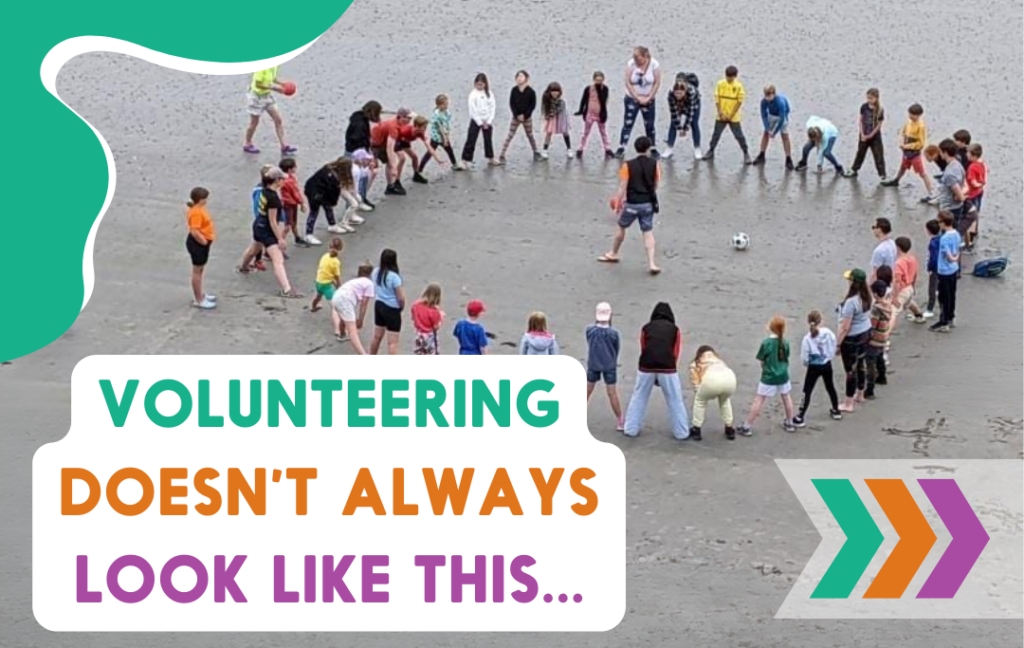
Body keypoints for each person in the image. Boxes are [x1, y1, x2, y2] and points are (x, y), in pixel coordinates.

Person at [623, 302, 690, 439]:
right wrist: (670, 367)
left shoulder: (646, 328)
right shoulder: (675, 329)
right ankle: (681, 433)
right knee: (675, 399)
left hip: (646, 365)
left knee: (639, 396)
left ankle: (630, 429)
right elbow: (675, 351)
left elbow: (643, 347)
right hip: (668, 367)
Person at [598, 137, 662, 275]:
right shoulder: (654, 164)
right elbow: (656, 184)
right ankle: (651, 262)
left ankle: (613, 253)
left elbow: (623, 186)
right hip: (648, 204)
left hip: (632, 203)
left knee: (621, 227)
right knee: (648, 232)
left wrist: (617, 203)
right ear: (648, 149)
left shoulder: (628, 165)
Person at [238, 167, 301, 297]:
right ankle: (287, 289)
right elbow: (273, 221)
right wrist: (280, 239)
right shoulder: (273, 198)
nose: (284, 181)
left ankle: (243, 267)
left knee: (253, 249)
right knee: (278, 260)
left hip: (258, 224)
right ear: (277, 180)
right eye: (282, 179)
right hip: (267, 229)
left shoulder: (263, 190)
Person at [737, 316, 796, 435]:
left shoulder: (766, 343)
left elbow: (762, 360)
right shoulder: (785, 342)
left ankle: (747, 426)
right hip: (783, 375)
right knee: (786, 397)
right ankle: (790, 422)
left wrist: (765, 368)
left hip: (769, 377)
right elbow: (786, 357)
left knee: (759, 399)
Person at [793, 310, 841, 427]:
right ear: (821, 320)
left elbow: (804, 356)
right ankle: (836, 409)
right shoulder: (828, 333)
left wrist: (807, 363)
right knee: (830, 387)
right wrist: (829, 356)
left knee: (807, 391)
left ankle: (800, 415)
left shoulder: (807, 339)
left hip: (813, 366)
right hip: (826, 364)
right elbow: (833, 344)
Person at [615, 47, 662, 159]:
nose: (636, 60)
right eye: (635, 58)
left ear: (645, 56)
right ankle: (622, 146)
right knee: (628, 123)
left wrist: (649, 97)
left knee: (649, 125)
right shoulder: (631, 64)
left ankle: (652, 147)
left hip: (648, 98)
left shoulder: (654, 64)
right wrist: (637, 97)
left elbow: (657, 82)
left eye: (639, 58)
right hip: (632, 98)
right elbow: (627, 82)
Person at [835, 269, 872, 411]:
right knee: (861, 364)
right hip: (866, 332)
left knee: (850, 370)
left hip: (853, 338)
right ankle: (860, 394)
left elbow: (845, 327)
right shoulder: (867, 296)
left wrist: (838, 344)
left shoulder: (851, 302)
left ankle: (848, 403)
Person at [880, 104, 933, 201]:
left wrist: (907, 146)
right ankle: (896, 180)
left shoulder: (921, 126)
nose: (910, 116)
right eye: (910, 114)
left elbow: (921, 143)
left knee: (922, 172)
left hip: (914, 153)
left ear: (918, 115)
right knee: (903, 166)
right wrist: (902, 141)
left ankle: (931, 192)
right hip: (906, 151)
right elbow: (903, 132)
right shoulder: (908, 122)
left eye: (912, 115)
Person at [585, 302, 623, 431]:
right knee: (612, 393)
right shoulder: (614, 333)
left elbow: (588, 341)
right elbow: (616, 348)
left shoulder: (590, 330)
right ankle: (620, 420)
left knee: (587, 392)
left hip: (593, 363)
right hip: (609, 365)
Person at [242, 66, 297, 155]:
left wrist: (282, 84)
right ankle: (247, 143)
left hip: (267, 96)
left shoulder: (273, 66)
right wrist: (275, 88)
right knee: (254, 123)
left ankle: (283, 146)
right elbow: (258, 84)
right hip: (256, 98)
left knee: (278, 120)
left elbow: (272, 78)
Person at [688, 345, 737, 441]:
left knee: (700, 401)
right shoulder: (719, 360)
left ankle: (696, 429)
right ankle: (729, 428)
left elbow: (695, 383)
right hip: (730, 378)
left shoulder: (695, 363)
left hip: (711, 379)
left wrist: (701, 393)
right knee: (725, 401)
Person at [703, 65, 750, 164]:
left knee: (739, 135)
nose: (729, 79)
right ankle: (711, 150)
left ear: (735, 76)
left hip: (733, 116)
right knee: (716, 134)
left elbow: (739, 101)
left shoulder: (738, 86)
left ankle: (746, 152)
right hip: (721, 115)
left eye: (731, 77)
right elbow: (717, 98)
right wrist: (720, 112)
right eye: (728, 76)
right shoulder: (720, 84)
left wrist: (732, 114)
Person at [331, 262, 375, 353]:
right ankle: (363, 354)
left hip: (336, 296)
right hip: (345, 300)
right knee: (352, 331)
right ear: (370, 273)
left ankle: (342, 334)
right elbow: (364, 303)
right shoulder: (369, 284)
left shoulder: (354, 281)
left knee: (344, 316)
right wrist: (361, 319)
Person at [303, 159, 348, 245]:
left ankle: (332, 225)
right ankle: (308, 234)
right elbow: (333, 192)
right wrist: (333, 202)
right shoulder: (333, 178)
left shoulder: (329, 168)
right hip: (314, 192)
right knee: (314, 212)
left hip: (318, 190)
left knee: (328, 207)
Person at [498, 71, 540, 163]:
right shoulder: (514, 90)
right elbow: (511, 103)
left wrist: (525, 115)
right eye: (517, 76)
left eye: (521, 76)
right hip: (516, 117)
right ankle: (502, 154)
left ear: (526, 78)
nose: (519, 78)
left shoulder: (531, 92)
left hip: (527, 118)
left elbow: (532, 105)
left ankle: (536, 152)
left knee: (530, 135)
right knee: (510, 135)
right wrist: (516, 115)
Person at [369, 248, 406, 355]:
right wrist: (401, 306)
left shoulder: (376, 272)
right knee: (392, 342)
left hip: (379, 304)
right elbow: (400, 297)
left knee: (377, 336)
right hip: (392, 308)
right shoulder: (395, 277)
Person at [844, 88, 887, 180]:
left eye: (871, 98)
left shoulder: (880, 110)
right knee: (860, 153)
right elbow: (860, 120)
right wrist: (862, 133)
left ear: (876, 98)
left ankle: (882, 174)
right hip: (863, 135)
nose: (869, 100)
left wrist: (871, 135)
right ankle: (854, 169)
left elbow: (879, 125)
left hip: (875, 137)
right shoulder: (864, 107)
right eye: (868, 98)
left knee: (878, 155)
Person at [185, 187, 216, 310]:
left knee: (200, 270)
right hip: (198, 244)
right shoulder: (196, 212)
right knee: (197, 271)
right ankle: (199, 299)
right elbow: (194, 231)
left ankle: (201, 295)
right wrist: (203, 242)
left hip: (202, 242)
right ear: (201, 200)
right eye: (205, 198)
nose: (207, 200)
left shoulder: (198, 209)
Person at [371, 108, 414, 195]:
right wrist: (394, 167)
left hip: (383, 143)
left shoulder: (399, 123)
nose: (410, 120)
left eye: (411, 118)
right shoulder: (393, 127)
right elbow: (390, 148)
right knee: (372, 169)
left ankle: (390, 186)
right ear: (401, 117)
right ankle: (361, 195)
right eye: (409, 118)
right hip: (374, 145)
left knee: (395, 161)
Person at [931, 211, 961, 333]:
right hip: (953, 269)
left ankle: (944, 321)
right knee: (952, 294)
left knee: (944, 297)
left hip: (944, 271)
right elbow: (957, 250)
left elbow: (948, 255)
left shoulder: (944, 238)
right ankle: (951, 317)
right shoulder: (956, 234)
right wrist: (956, 259)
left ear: (943, 223)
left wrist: (952, 258)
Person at [419, 94, 464, 173]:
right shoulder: (437, 115)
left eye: (447, 104)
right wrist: (445, 139)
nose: (447, 106)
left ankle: (454, 164)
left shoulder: (445, 112)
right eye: (445, 104)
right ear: (439, 105)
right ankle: (419, 169)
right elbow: (440, 129)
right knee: (431, 153)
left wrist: (447, 134)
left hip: (443, 136)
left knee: (449, 150)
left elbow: (446, 124)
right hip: (437, 138)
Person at [863, 280, 893, 400]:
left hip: (874, 339)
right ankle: (882, 377)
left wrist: (866, 337)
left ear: (875, 293)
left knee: (870, 363)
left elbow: (872, 325)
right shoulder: (887, 306)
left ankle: (869, 390)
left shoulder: (876, 309)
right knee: (880, 356)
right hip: (883, 337)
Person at [662, 72, 702, 160]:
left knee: (694, 124)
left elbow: (690, 114)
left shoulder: (692, 92)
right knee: (673, 124)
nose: (678, 96)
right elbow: (674, 114)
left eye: (680, 94)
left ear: (684, 91)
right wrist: (679, 128)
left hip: (692, 104)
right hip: (678, 105)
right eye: (677, 94)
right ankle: (669, 148)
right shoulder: (671, 94)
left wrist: (685, 128)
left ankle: (697, 148)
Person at [461, 73, 498, 168]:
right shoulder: (473, 95)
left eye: (481, 84)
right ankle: (465, 160)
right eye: (477, 84)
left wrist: (489, 121)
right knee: (471, 139)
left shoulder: (489, 93)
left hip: (487, 120)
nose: (479, 86)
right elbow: (472, 110)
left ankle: (490, 157)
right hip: (476, 120)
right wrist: (480, 122)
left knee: (488, 140)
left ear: (485, 84)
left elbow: (492, 107)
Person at [751, 85, 792, 168]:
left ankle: (788, 158)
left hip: (782, 116)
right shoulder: (764, 101)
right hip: (771, 115)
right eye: (766, 96)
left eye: (769, 95)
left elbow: (782, 118)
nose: (768, 98)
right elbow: (764, 115)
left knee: (785, 136)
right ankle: (762, 154)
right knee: (765, 134)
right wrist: (768, 128)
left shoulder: (780, 102)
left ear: (774, 94)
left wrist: (775, 132)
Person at [575, 71, 612, 159]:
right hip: (589, 114)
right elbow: (583, 100)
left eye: (600, 81)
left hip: (600, 114)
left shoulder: (605, 89)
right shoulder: (588, 89)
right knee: (586, 132)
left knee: (603, 132)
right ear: (594, 80)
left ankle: (607, 149)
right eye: (597, 80)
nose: (598, 82)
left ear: (603, 80)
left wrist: (599, 89)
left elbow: (603, 101)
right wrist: (581, 110)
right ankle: (580, 148)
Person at [397, 116, 445, 184]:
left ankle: (416, 175)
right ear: (417, 126)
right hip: (396, 140)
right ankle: (396, 181)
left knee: (414, 157)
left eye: (426, 127)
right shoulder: (406, 131)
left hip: (405, 141)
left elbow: (429, 146)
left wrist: (437, 159)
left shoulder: (420, 133)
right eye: (424, 127)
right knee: (402, 159)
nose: (425, 129)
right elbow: (394, 135)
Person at [310, 238, 344, 334]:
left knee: (318, 296)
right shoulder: (336, 262)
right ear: (341, 249)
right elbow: (336, 276)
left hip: (319, 281)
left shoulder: (324, 256)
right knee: (334, 307)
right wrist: (339, 286)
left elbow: (325, 272)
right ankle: (338, 330)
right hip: (327, 285)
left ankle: (313, 306)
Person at [935, 138, 967, 225]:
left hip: (949, 209)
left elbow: (959, 196)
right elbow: (965, 184)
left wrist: (960, 195)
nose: (939, 154)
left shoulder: (949, 173)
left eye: (940, 151)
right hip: (956, 207)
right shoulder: (958, 164)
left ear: (945, 153)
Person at [278, 158, 308, 246]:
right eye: (294, 166)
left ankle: (297, 238)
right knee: (288, 226)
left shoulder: (286, 179)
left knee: (293, 223)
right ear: (290, 169)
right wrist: (302, 203)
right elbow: (295, 193)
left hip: (291, 204)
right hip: (288, 205)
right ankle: (279, 242)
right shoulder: (289, 181)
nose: (296, 168)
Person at [893, 236, 924, 323]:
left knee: (893, 311)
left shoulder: (899, 263)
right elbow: (915, 274)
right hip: (909, 286)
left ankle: (886, 330)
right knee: (909, 302)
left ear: (898, 247)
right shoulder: (912, 259)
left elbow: (897, 281)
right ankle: (919, 316)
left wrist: (894, 297)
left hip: (902, 289)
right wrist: (913, 287)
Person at [962, 143, 987, 250]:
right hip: (980, 192)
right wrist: (982, 184)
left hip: (972, 194)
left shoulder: (972, 167)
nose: (966, 155)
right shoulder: (982, 164)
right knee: (977, 212)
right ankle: (975, 231)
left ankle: (970, 239)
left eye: (968, 153)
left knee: (970, 215)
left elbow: (972, 182)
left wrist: (977, 184)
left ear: (973, 155)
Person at [540, 82, 572, 159]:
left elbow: (560, 111)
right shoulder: (547, 101)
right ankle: (545, 150)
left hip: (561, 118)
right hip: (551, 119)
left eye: (557, 91)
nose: (555, 93)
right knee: (549, 133)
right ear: (549, 91)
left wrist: (552, 113)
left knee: (565, 133)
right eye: (553, 91)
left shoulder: (561, 102)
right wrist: (548, 116)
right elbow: (544, 110)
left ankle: (569, 149)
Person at [411, 283, 445, 355]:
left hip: (419, 334)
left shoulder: (416, 306)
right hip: (429, 336)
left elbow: (413, 317)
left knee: (419, 352)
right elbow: (436, 327)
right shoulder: (434, 312)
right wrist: (441, 318)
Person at [922, 219, 941, 319]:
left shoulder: (933, 243)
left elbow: (933, 258)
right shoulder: (942, 238)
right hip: (943, 267)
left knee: (931, 289)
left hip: (935, 268)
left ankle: (930, 309)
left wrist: (930, 268)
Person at [869, 217, 897, 283]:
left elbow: (875, 274)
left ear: (879, 229)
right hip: (892, 281)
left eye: (874, 227)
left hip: (882, 285)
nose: (873, 229)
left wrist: (869, 288)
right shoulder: (893, 244)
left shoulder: (879, 250)